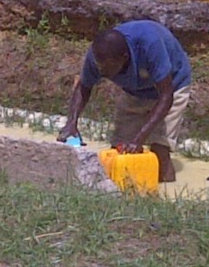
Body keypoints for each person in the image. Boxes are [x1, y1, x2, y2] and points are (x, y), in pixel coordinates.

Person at [58, 20, 192, 183]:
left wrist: (138, 139)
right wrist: (71, 123)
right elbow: (83, 88)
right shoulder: (97, 56)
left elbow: (166, 96)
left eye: (108, 68)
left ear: (124, 58)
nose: (103, 73)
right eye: (100, 67)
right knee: (119, 151)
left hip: (172, 86)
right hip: (135, 91)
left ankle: (162, 192)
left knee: (159, 150)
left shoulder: (149, 45)